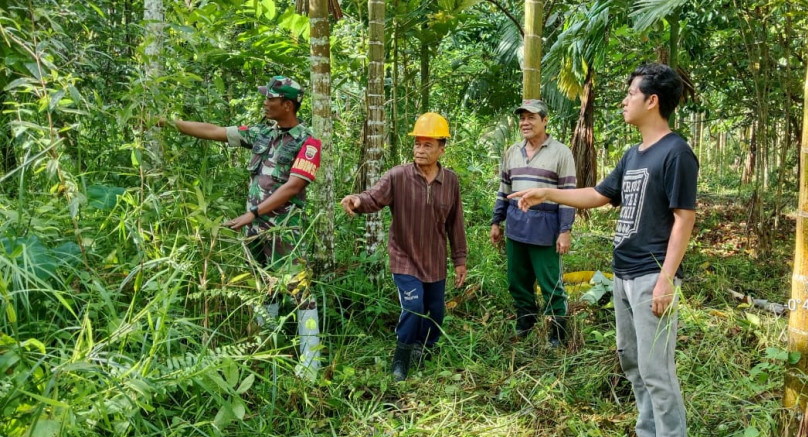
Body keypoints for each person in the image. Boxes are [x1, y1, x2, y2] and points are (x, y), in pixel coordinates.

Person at [509, 63, 697, 437]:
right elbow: (597, 195)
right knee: (632, 362)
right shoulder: (633, 154)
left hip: (651, 275)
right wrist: (547, 193)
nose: (625, 100)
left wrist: (666, 279)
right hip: (624, 274)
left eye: (631, 94)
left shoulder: (677, 153)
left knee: (656, 370)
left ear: (653, 100)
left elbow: (684, 218)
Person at [162, 75, 323, 380]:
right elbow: (214, 131)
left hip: (283, 229)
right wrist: (169, 123)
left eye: (270, 99)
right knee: (264, 287)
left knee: (300, 289)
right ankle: (263, 349)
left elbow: (293, 186)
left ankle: (311, 360)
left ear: (287, 104)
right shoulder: (262, 132)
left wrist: (253, 213)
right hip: (255, 229)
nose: (265, 102)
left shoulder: (308, 142)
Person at [340, 112, 468, 382]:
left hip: (434, 259)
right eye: (417, 144)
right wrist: (356, 200)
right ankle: (401, 360)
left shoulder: (451, 182)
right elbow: (373, 197)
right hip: (404, 256)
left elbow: (455, 223)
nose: (420, 150)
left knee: (436, 311)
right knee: (413, 306)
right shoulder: (398, 176)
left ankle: (425, 349)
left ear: (441, 149)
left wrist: (459, 260)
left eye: (427, 145)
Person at [490, 99, 576, 348]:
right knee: (517, 280)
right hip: (516, 229)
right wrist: (497, 221)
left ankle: (558, 333)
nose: (525, 123)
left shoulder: (561, 152)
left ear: (545, 120)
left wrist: (565, 231)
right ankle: (525, 323)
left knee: (551, 284)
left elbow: (569, 194)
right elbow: (504, 189)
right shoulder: (512, 151)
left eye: (532, 117)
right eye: (522, 118)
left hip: (545, 230)